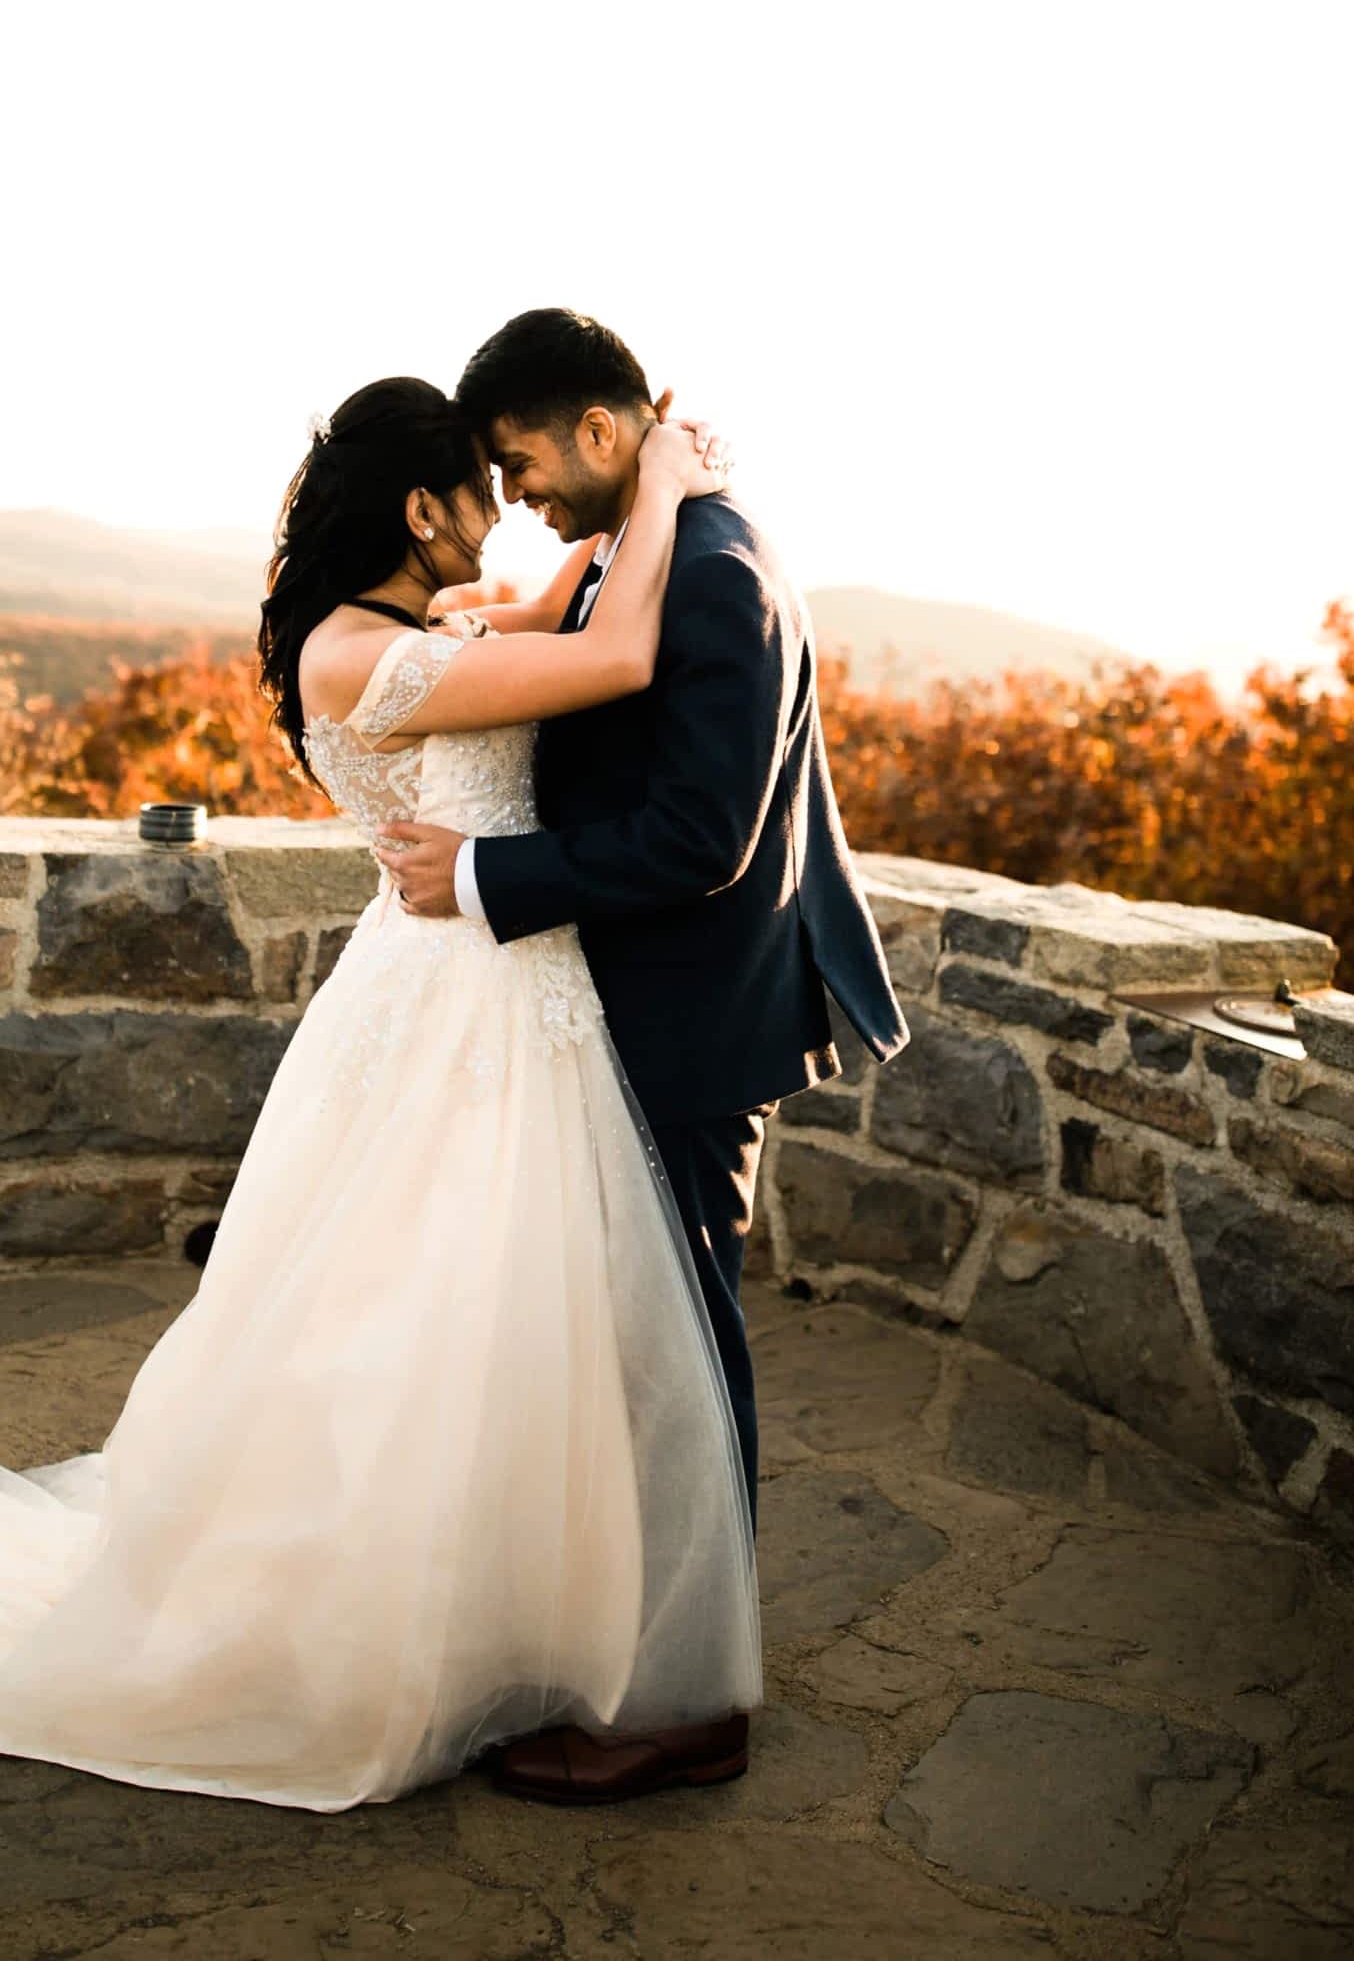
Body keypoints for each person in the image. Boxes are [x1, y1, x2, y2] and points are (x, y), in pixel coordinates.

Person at [0, 374, 765, 1813]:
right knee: (412, 1311)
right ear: (418, 508)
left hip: (490, 977)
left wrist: (627, 487)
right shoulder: (356, 659)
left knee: (500, 1313)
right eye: (482, 487)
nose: (504, 514)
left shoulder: (421, 627)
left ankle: (515, 1607)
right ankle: (381, 1618)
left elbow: (567, 592)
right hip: (460, 996)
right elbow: (625, 646)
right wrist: (670, 488)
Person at [381, 309, 910, 1805]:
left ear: (603, 433)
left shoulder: (717, 569)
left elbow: (702, 834)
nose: (520, 491)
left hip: (689, 1016)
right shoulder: (643, 545)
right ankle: (627, 1645)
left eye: (524, 458)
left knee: (674, 1358)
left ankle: (688, 1705)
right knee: (629, 1352)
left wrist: (481, 883)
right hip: (634, 1006)